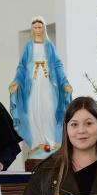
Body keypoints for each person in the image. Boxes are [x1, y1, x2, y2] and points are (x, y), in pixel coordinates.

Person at [9, 16, 72, 158]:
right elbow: (22, 66)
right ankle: (37, 142)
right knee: (33, 111)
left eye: (39, 27)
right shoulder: (28, 46)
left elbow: (58, 65)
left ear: (43, 28)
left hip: (48, 83)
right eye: (35, 27)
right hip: (32, 84)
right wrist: (17, 81)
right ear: (32, 29)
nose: (37, 29)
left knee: (48, 109)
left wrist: (65, 82)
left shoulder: (49, 46)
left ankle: (51, 141)